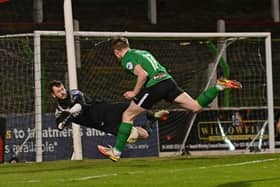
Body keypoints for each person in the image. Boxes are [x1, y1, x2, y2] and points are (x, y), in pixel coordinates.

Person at [97, 36, 242, 161]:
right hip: (167, 81)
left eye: (115, 53)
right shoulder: (142, 52)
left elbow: (143, 75)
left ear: (117, 51)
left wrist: (134, 92)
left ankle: (116, 152)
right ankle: (219, 86)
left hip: (155, 86)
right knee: (196, 107)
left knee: (127, 115)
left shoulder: (126, 59)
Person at [49, 80, 168, 144]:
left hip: (104, 109)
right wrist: (65, 120)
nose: (63, 92)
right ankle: (151, 122)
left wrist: (71, 112)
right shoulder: (59, 111)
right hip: (101, 124)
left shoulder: (75, 93)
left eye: (63, 88)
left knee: (132, 106)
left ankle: (151, 114)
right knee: (141, 135)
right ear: (53, 95)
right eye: (59, 91)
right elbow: (60, 126)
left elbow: (81, 105)